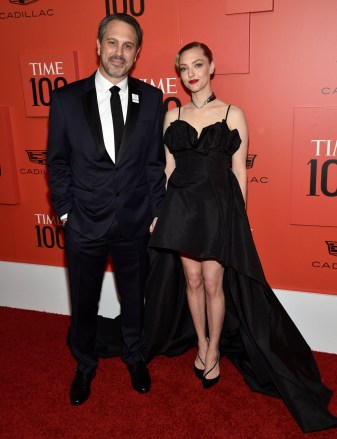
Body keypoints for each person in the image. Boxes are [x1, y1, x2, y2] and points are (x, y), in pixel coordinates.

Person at [144, 42, 337, 433]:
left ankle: (214, 348)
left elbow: (239, 172)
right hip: (180, 209)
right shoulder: (172, 115)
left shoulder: (233, 113)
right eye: (183, 68)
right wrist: (159, 211)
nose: (191, 73)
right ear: (179, 74)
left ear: (212, 66)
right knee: (192, 281)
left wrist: (237, 219)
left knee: (214, 283)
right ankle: (200, 342)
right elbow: (167, 169)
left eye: (197, 64)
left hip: (217, 210)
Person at [47, 13, 166, 406]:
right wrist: (66, 213)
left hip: (134, 221)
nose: (119, 52)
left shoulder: (150, 99)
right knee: (84, 300)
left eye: (128, 45)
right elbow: (58, 162)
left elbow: (153, 163)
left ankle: (134, 356)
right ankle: (84, 364)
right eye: (112, 43)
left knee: (135, 298)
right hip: (84, 222)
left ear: (136, 54)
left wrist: (156, 211)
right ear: (98, 45)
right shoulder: (66, 99)